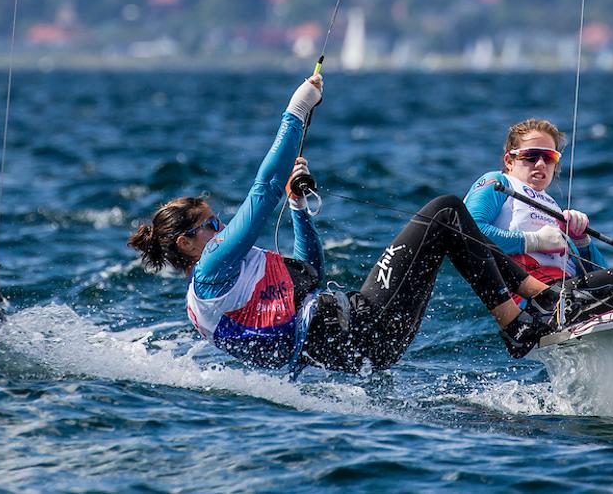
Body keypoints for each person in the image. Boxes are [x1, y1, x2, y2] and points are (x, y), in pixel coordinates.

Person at [127, 75, 562, 374]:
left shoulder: (226, 281)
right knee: (445, 210)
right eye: (211, 224)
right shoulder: (211, 270)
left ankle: (540, 299)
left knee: (449, 221)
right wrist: (296, 111)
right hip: (361, 331)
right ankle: (516, 324)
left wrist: (298, 211)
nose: (220, 229)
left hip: (359, 343)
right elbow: (262, 193)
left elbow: (311, 274)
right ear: (187, 244)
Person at [464, 119, 613, 325]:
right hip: (540, 301)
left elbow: (599, 272)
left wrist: (581, 241)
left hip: (570, 296)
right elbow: (469, 232)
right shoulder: (497, 182)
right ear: (509, 161)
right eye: (531, 156)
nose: (541, 164)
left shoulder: (552, 208)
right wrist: (533, 241)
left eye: (549, 157)